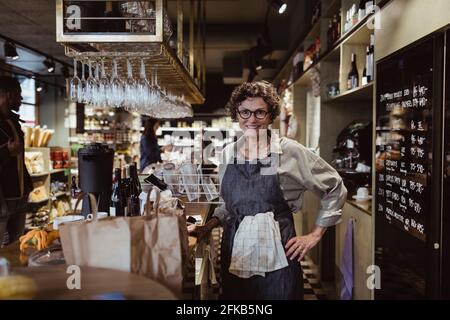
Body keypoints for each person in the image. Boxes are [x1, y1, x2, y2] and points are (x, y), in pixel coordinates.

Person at [190, 81, 347, 300]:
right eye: (245, 112)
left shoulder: (289, 151)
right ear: (236, 114)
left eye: (259, 113)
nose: (252, 120)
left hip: (279, 253)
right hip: (236, 251)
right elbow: (230, 206)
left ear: (270, 114)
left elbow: (335, 187)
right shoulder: (228, 154)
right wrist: (208, 226)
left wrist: (314, 235)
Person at [0, 76, 32, 246]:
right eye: (18, 94)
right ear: (7, 94)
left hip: (19, 195)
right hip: (3, 199)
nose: (21, 98)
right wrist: (6, 151)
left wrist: (27, 186)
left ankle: (17, 274)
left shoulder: (13, 121)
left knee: (17, 247)